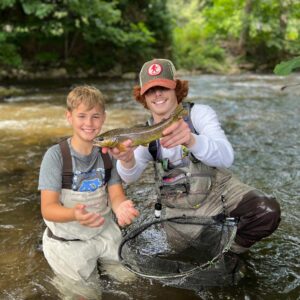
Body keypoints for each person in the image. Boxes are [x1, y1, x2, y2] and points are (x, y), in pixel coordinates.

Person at [103, 58, 281, 254]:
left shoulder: (199, 114)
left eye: (163, 87)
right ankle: (215, 249)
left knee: (266, 212)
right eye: (150, 90)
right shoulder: (142, 133)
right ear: (143, 96)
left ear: (176, 88)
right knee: (193, 254)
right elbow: (129, 177)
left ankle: (232, 253)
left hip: (218, 192)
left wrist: (191, 140)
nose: (158, 94)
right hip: (179, 209)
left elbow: (227, 157)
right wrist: (126, 159)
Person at [38, 85, 139, 289]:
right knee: (85, 293)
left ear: (104, 118)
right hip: (67, 241)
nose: (89, 123)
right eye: (82, 116)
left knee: (131, 282)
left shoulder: (108, 152)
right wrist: (75, 214)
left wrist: (121, 208)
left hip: (104, 232)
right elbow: (48, 209)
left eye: (95, 116)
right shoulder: (56, 156)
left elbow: (116, 195)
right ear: (69, 117)